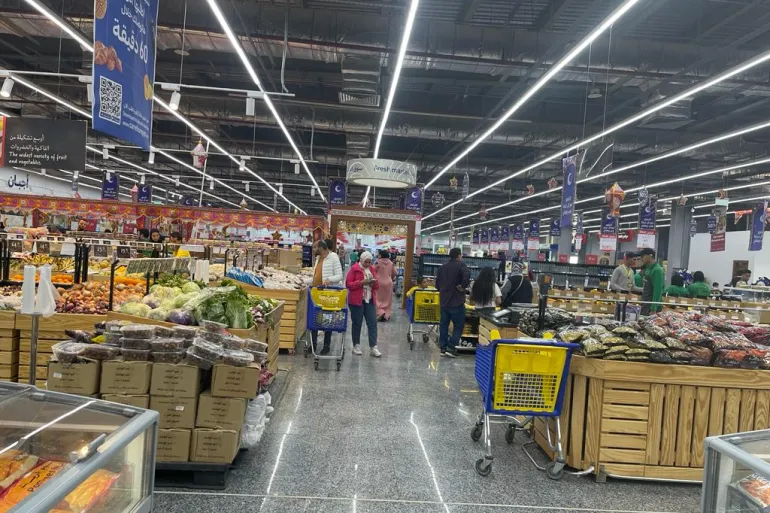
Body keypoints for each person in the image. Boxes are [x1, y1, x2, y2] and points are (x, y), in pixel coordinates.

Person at [435, 248, 470, 358]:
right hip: (456, 301)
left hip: (444, 301)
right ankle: (451, 348)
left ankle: (443, 348)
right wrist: (463, 286)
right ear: (459, 255)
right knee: (458, 326)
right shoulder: (461, 265)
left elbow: (437, 285)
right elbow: (467, 275)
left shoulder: (442, 267)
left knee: (443, 325)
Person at [345, 251, 381, 357]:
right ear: (361, 260)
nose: (368, 264)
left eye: (370, 262)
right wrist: (361, 283)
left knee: (372, 323)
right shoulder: (354, 269)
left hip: (369, 300)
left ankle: (373, 346)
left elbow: (377, 286)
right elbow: (348, 284)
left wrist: (373, 283)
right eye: (366, 262)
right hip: (357, 300)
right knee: (357, 323)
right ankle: (356, 345)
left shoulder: (372, 270)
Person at [310, 240, 343, 355]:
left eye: (315, 247)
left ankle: (326, 345)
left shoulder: (333, 257)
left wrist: (329, 280)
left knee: (327, 320)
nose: (313, 250)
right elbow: (315, 276)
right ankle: (313, 344)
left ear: (321, 248)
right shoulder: (318, 259)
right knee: (314, 319)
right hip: (316, 293)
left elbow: (340, 275)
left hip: (328, 294)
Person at [638, 248, 664, 315]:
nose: (641, 258)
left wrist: (654, 308)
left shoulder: (657, 270)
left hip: (652, 306)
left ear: (650, 256)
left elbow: (657, 290)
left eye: (642, 256)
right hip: (645, 303)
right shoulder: (647, 268)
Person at [375, 249, 397, 321]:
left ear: (381, 255)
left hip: (379, 283)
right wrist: (390, 277)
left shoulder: (378, 261)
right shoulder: (391, 263)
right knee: (387, 300)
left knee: (377, 299)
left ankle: (380, 312)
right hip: (388, 283)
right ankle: (386, 315)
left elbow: (373, 270)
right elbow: (395, 273)